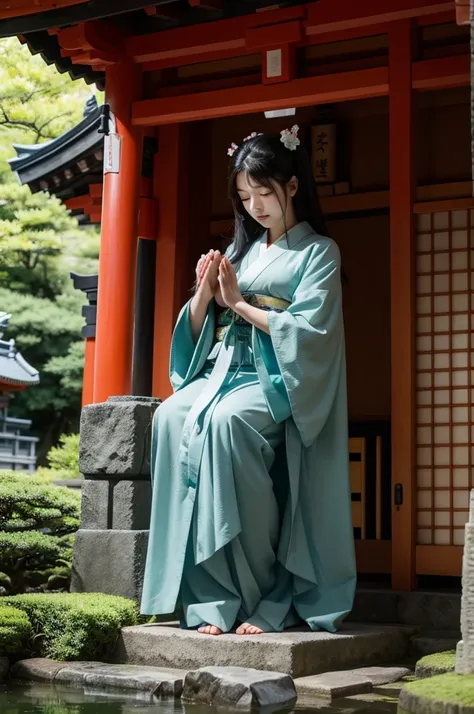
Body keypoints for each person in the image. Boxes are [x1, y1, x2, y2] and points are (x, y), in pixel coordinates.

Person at [140, 125, 356, 636]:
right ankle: (210, 599)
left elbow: (309, 333)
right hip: (222, 368)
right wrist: (202, 293)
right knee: (170, 417)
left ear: (293, 185)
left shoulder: (319, 252)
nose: (255, 206)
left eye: (264, 193)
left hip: (274, 377)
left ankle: (260, 593)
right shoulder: (240, 252)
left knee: (229, 424)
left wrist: (237, 302)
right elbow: (202, 326)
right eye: (245, 196)